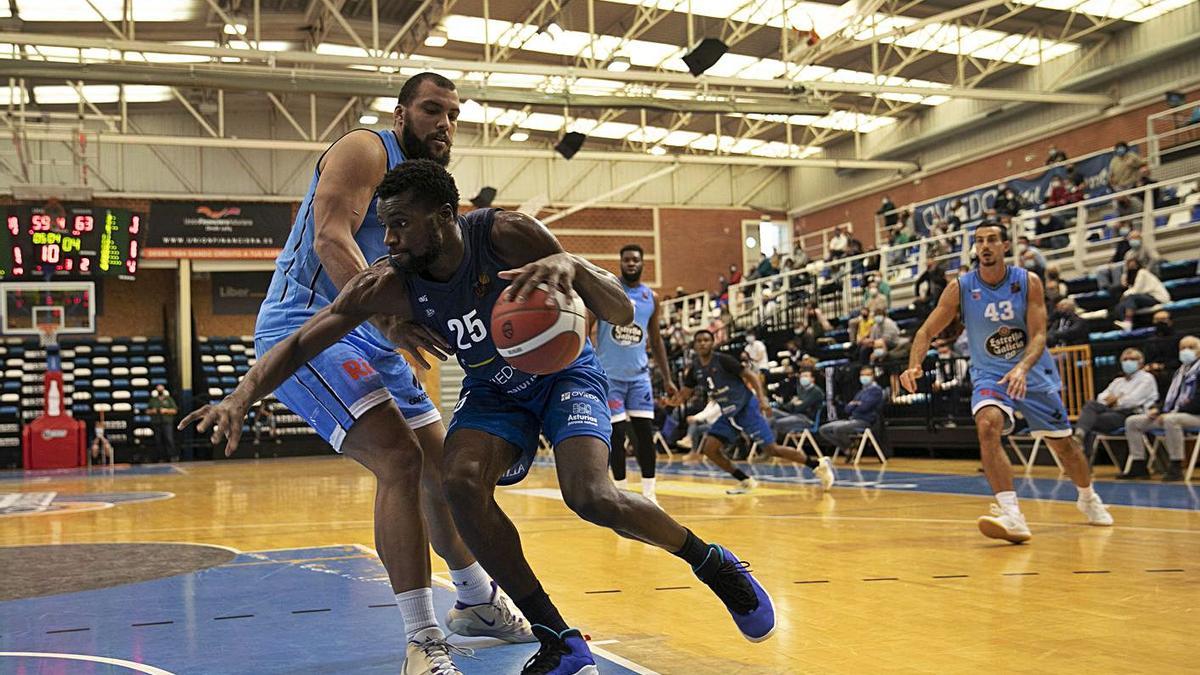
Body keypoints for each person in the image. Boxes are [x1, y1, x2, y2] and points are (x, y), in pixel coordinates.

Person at [189, 160, 782, 673]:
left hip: (563, 377)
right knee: (456, 481)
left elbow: (620, 306)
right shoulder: (390, 283)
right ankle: (557, 638)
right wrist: (241, 396)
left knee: (591, 496)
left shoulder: (506, 233)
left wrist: (572, 266)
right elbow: (303, 341)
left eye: (399, 223)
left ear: (444, 215)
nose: (387, 238)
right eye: (384, 224)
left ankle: (714, 564)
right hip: (494, 392)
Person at [188, 74, 531, 675]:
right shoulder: (365, 149)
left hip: (374, 327)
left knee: (445, 470)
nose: (444, 123)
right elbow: (330, 236)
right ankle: (423, 639)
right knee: (398, 460)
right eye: (431, 110)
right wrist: (387, 320)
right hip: (309, 322)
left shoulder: (428, 187)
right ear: (402, 112)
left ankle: (476, 601)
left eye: (453, 114)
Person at [900, 223, 1113, 544]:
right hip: (989, 376)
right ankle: (1012, 514)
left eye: (992, 240)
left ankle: (1087, 497)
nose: (985, 246)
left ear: (1004, 245)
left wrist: (1023, 368)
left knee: (1065, 448)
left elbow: (1040, 333)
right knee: (987, 425)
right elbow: (925, 332)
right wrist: (914, 364)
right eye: (979, 241)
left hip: (1032, 373)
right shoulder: (960, 287)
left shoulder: (1028, 282)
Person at [673, 329, 834, 495]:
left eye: (706, 340)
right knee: (710, 449)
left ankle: (818, 465)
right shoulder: (695, 368)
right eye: (699, 341)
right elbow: (686, 391)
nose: (702, 343)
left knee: (771, 449)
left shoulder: (723, 360)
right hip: (729, 413)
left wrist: (762, 399)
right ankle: (745, 480)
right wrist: (675, 400)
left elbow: (751, 375)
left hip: (745, 407)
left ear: (713, 343)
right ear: (694, 345)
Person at [592, 243, 676, 505]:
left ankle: (650, 493)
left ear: (642, 263)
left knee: (644, 435)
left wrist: (668, 377)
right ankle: (619, 490)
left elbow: (656, 339)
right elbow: (586, 326)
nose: (631, 263)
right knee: (616, 435)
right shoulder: (608, 291)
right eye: (626, 260)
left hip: (639, 377)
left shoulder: (651, 297)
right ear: (620, 262)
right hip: (610, 377)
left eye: (635, 260)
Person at [1119, 336, 1200, 482]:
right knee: (1132, 422)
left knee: (1171, 420)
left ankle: (1176, 466)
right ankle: (1139, 465)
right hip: (1176, 414)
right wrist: (1158, 409)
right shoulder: (1179, 372)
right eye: (1182, 348)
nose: (1186, 351)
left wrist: (1171, 412)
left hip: (1195, 415)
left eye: (1191, 347)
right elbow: (1171, 398)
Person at [1075, 348, 1158, 466]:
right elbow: (1101, 397)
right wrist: (1116, 399)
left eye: (1132, 359)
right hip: (1113, 412)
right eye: (1125, 359)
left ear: (1140, 363)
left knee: (1088, 421)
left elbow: (1133, 401)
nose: (1128, 362)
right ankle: (1080, 435)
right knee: (1090, 405)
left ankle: (1083, 460)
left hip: (1132, 415)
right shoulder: (1118, 381)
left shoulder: (1146, 378)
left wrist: (1115, 400)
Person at [820, 366, 883, 457]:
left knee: (838, 429)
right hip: (852, 419)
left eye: (867, 374)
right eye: (862, 375)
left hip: (865, 421)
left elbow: (864, 407)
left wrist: (854, 404)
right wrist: (856, 404)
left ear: (873, 376)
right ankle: (848, 448)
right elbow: (847, 409)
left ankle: (851, 447)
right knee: (824, 429)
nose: (864, 377)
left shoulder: (876, 390)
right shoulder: (861, 391)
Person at [1112, 257, 1170, 332]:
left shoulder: (1142, 272)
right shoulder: (1131, 277)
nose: (1131, 265)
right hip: (1144, 297)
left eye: (1133, 263)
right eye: (1129, 264)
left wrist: (1124, 294)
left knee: (1131, 297)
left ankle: (1128, 322)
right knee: (1120, 306)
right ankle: (1126, 325)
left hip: (1157, 297)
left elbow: (1137, 290)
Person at [771, 367, 825, 440]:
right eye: (801, 376)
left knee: (775, 422)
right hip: (795, 415)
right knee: (771, 412)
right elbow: (788, 407)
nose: (803, 378)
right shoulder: (801, 389)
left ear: (812, 379)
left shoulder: (816, 392)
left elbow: (800, 408)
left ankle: (771, 446)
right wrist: (794, 403)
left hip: (807, 419)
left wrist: (795, 404)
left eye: (806, 376)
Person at [932, 341, 969, 428]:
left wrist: (943, 386)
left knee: (954, 391)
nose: (942, 355)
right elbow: (939, 377)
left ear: (949, 350)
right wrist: (937, 384)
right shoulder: (939, 362)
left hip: (962, 385)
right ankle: (939, 419)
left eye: (944, 352)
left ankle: (954, 419)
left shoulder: (959, 360)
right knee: (935, 392)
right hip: (946, 385)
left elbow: (959, 380)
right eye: (940, 353)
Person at [147, 384, 179, 463]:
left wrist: (166, 411)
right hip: (156, 422)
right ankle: (161, 457)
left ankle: (172, 456)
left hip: (167, 422)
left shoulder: (169, 399)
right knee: (158, 441)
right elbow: (147, 411)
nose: (160, 390)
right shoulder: (153, 400)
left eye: (161, 388)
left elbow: (175, 410)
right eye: (158, 388)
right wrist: (153, 411)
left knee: (169, 439)